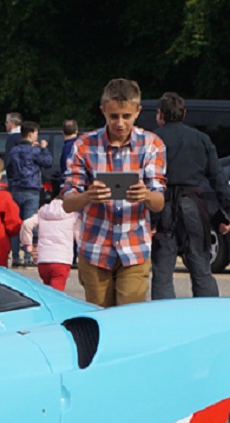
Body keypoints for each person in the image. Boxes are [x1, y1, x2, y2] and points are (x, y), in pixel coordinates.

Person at [61, 78, 166, 307]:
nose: (120, 123)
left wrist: (145, 195)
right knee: (100, 317)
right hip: (95, 247)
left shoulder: (152, 144)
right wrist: (88, 196)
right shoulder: (84, 145)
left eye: (126, 116)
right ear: (103, 112)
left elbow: (159, 202)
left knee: (129, 318)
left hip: (134, 245)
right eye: (113, 116)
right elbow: (67, 202)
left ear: (137, 112)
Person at [150, 92, 230, 300]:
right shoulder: (201, 139)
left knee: (162, 269)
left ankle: (164, 317)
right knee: (200, 265)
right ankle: (206, 314)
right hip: (193, 203)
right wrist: (226, 212)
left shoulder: (153, 139)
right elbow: (218, 177)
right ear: (184, 113)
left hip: (162, 204)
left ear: (159, 114)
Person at [5, 120, 52, 265]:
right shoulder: (35, 151)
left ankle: (15, 257)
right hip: (31, 190)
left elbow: (9, 168)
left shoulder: (14, 150)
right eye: (36, 134)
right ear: (31, 134)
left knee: (15, 223)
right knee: (28, 224)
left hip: (16, 189)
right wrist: (44, 148)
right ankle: (28, 256)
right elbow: (48, 162)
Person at [20, 198, 80, 291]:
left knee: (48, 292)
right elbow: (79, 236)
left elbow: (26, 224)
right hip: (62, 259)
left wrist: (28, 245)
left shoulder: (42, 213)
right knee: (56, 295)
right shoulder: (73, 215)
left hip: (43, 260)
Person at [58, 119, 79, 185]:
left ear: (62, 132)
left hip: (70, 183)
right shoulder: (82, 145)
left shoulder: (67, 147)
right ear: (76, 131)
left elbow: (66, 168)